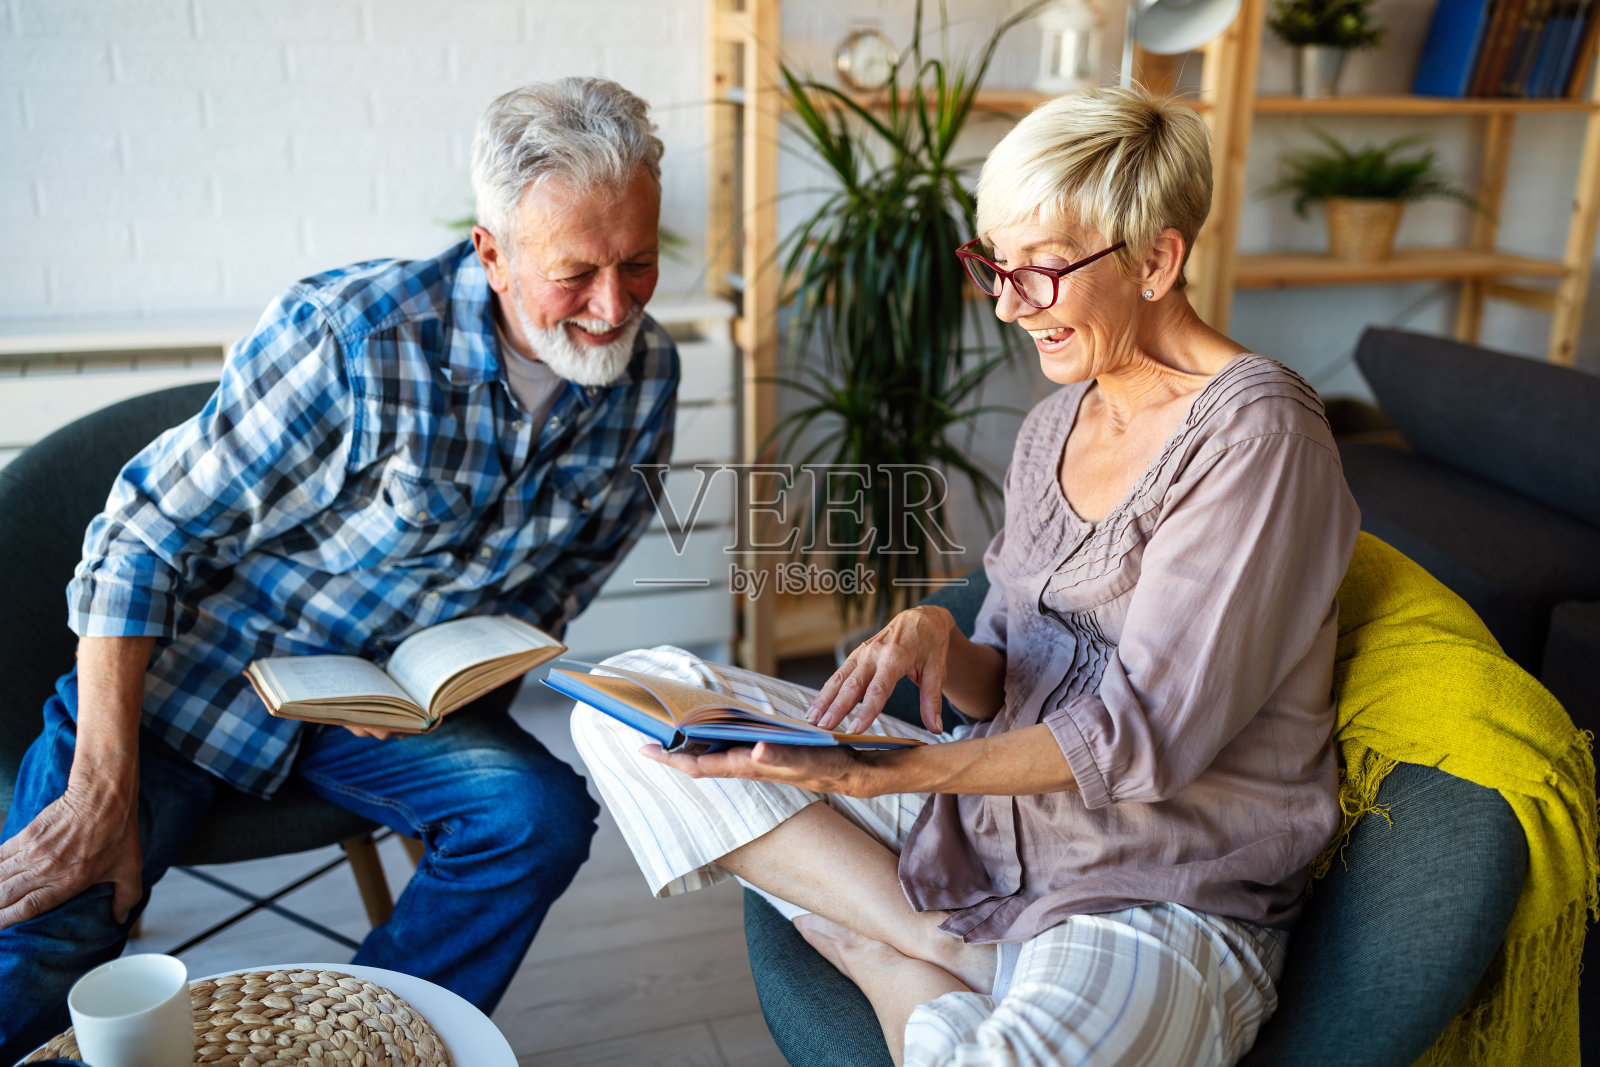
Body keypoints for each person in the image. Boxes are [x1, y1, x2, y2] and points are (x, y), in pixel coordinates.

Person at [569, 86, 1360, 1067]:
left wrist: (882, 767)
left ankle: (882, 948)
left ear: (1157, 259)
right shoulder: (1054, 425)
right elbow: (1016, 674)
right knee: (621, 698)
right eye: (993, 265)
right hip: (987, 829)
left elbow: (1142, 737)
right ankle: (944, 940)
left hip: (1154, 881)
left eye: (1042, 271)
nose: (1006, 302)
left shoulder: (1257, 433)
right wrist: (947, 644)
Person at [0, 76, 677, 1058]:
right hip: (182, 691)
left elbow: (562, 577)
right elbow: (138, 537)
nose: (614, 307)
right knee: (50, 931)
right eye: (577, 272)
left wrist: (462, 673)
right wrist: (102, 788)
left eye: (640, 263)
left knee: (535, 816)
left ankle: (353, 1039)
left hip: (384, 717)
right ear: (492, 251)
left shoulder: (645, 380)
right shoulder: (352, 338)